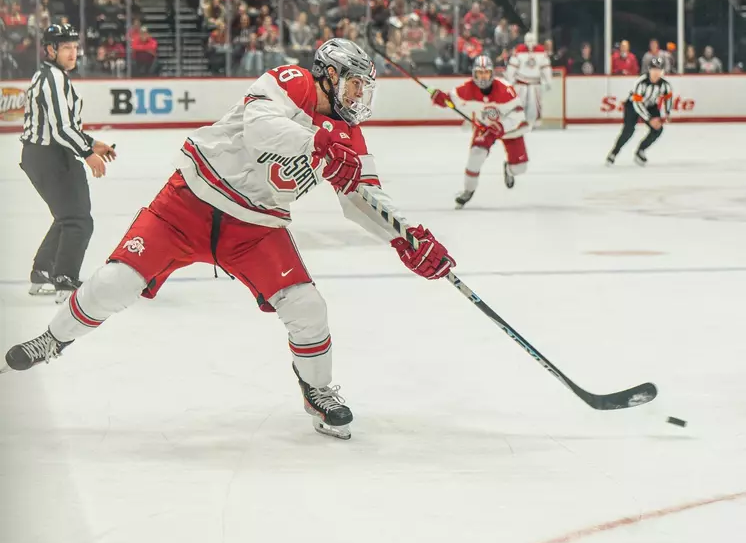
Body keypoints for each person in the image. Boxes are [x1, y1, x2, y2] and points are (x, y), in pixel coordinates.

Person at [5, 40, 455, 443]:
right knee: (112, 283)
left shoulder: (350, 135)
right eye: (356, 85)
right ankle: (52, 339)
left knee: (306, 306)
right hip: (189, 203)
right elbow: (262, 130)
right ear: (330, 74)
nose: (360, 97)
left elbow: (366, 196)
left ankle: (316, 390)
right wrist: (320, 143)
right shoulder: (291, 81)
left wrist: (407, 237)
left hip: (255, 228)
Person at [19, 24, 116, 301]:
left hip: (41, 154)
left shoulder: (51, 75)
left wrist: (92, 143)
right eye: (66, 48)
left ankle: (43, 273)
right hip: (50, 156)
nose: (73, 53)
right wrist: (87, 154)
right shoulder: (53, 78)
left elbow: (60, 126)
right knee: (78, 221)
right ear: (50, 50)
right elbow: (61, 129)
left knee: (67, 216)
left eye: (75, 47)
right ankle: (64, 279)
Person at [430, 55, 529, 208]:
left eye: (486, 73)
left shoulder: (505, 89)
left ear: (492, 74)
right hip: (484, 127)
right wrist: (441, 99)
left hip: (508, 129)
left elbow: (518, 115)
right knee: (476, 155)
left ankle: (509, 169)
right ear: (474, 74)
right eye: (480, 73)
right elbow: (450, 99)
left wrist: (500, 127)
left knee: (520, 168)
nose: (483, 77)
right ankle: (468, 190)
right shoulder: (466, 88)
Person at [605, 56, 673, 167]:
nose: (656, 73)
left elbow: (668, 97)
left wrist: (668, 112)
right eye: (654, 69)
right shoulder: (641, 82)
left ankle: (640, 150)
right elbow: (637, 104)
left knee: (658, 129)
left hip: (650, 105)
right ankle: (614, 153)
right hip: (633, 106)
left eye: (659, 70)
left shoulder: (665, 85)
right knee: (628, 131)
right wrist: (649, 119)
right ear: (649, 70)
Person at [504, 32, 552, 127]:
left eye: (532, 41)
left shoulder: (541, 51)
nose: (530, 43)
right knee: (520, 102)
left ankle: (537, 120)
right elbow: (512, 66)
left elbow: (546, 67)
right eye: (528, 41)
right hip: (521, 82)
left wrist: (548, 80)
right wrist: (510, 79)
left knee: (537, 103)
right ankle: (518, 120)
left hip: (535, 82)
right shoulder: (519, 50)